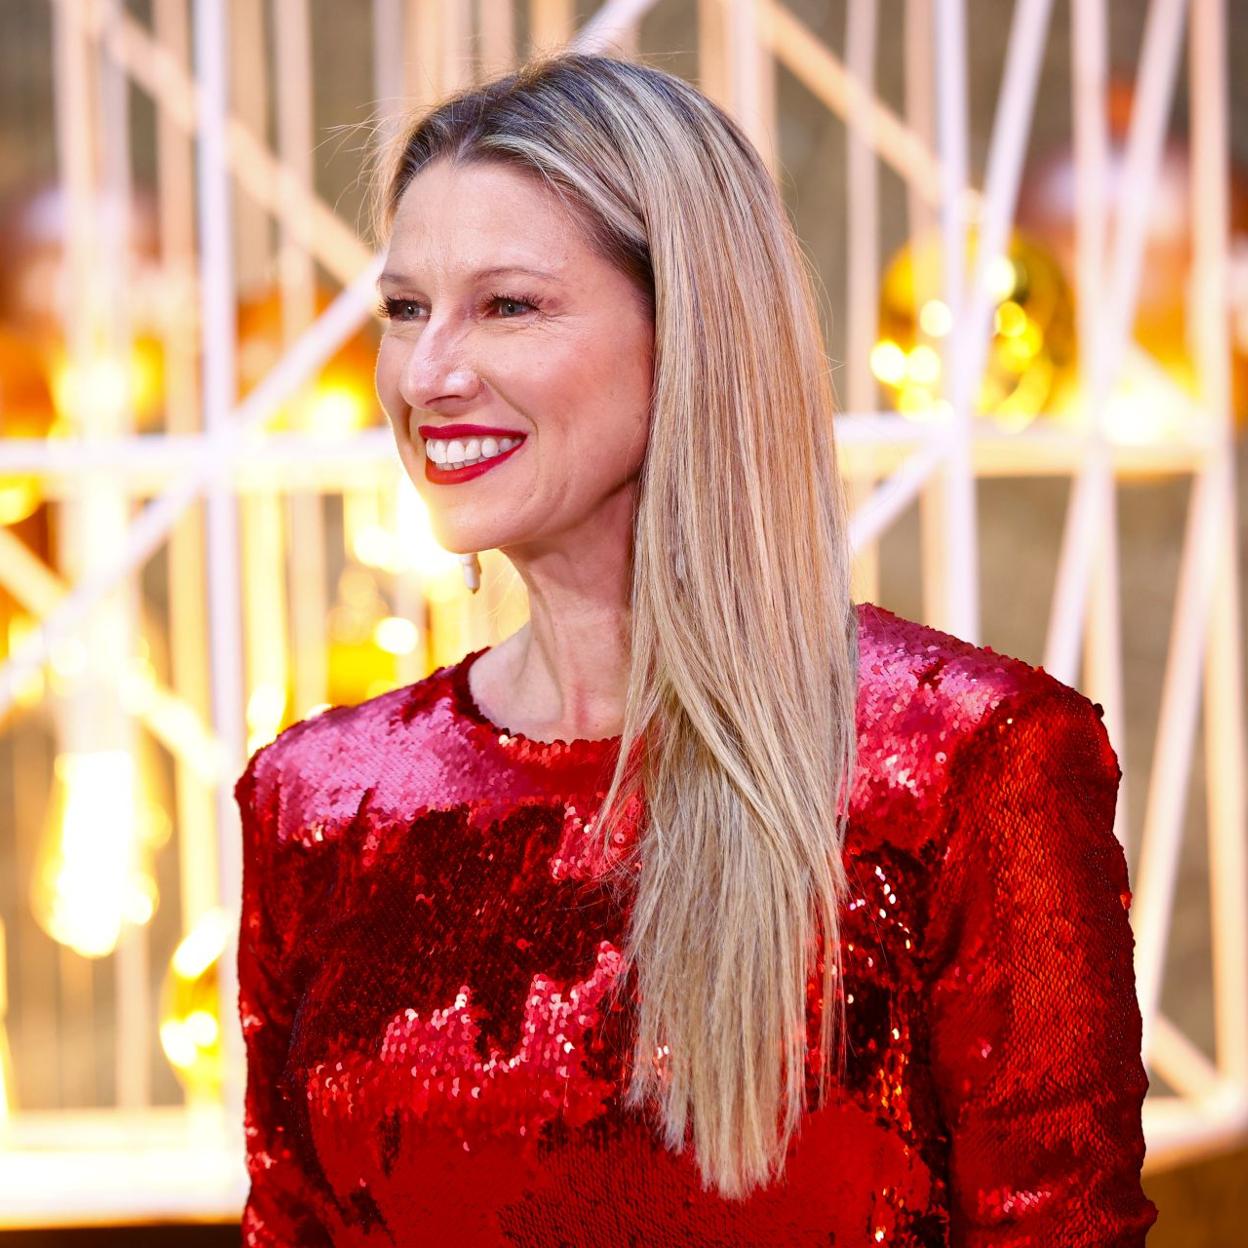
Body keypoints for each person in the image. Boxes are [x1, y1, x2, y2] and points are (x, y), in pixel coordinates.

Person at [235, 51, 1158, 1247]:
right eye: (405, 309)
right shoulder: (318, 807)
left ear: (689, 331)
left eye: (507, 304)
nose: (427, 374)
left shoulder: (967, 767)